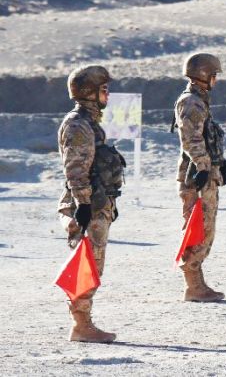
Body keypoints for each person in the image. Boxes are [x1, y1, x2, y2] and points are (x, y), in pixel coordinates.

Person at [57, 64, 125, 342]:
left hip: (96, 203)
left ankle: (83, 322)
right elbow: (75, 168)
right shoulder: (78, 125)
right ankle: (82, 325)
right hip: (86, 206)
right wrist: (83, 204)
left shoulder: (89, 123)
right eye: (104, 89)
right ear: (89, 92)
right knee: (87, 264)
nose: (108, 94)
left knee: (94, 263)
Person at [175, 53, 226, 300]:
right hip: (197, 176)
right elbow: (191, 140)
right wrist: (204, 167)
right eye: (214, 75)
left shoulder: (199, 101)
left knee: (207, 227)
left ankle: (197, 281)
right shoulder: (191, 103)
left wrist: (220, 163)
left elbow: (206, 137)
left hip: (205, 172)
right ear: (205, 76)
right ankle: (193, 284)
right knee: (198, 226)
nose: (216, 81)